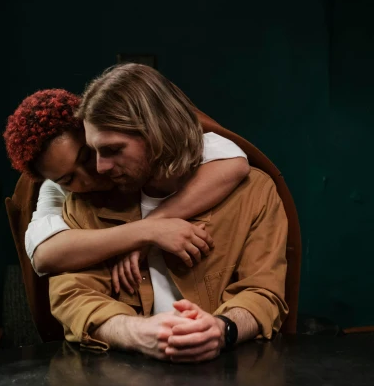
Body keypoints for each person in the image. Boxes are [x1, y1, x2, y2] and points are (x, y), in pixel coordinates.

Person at [49, 63, 288, 363]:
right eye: (94, 151)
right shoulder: (88, 203)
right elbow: (73, 295)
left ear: (158, 134)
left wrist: (220, 329)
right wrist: (138, 332)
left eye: (113, 150)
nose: (99, 168)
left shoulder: (254, 192)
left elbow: (263, 292)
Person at [3, 88, 251, 294]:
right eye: (68, 178)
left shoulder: (149, 147)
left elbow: (233, 161)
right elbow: (44, 253)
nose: (92, 173)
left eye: (88, 155)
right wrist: (145, 232)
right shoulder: (55, 189)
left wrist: (157, 219)